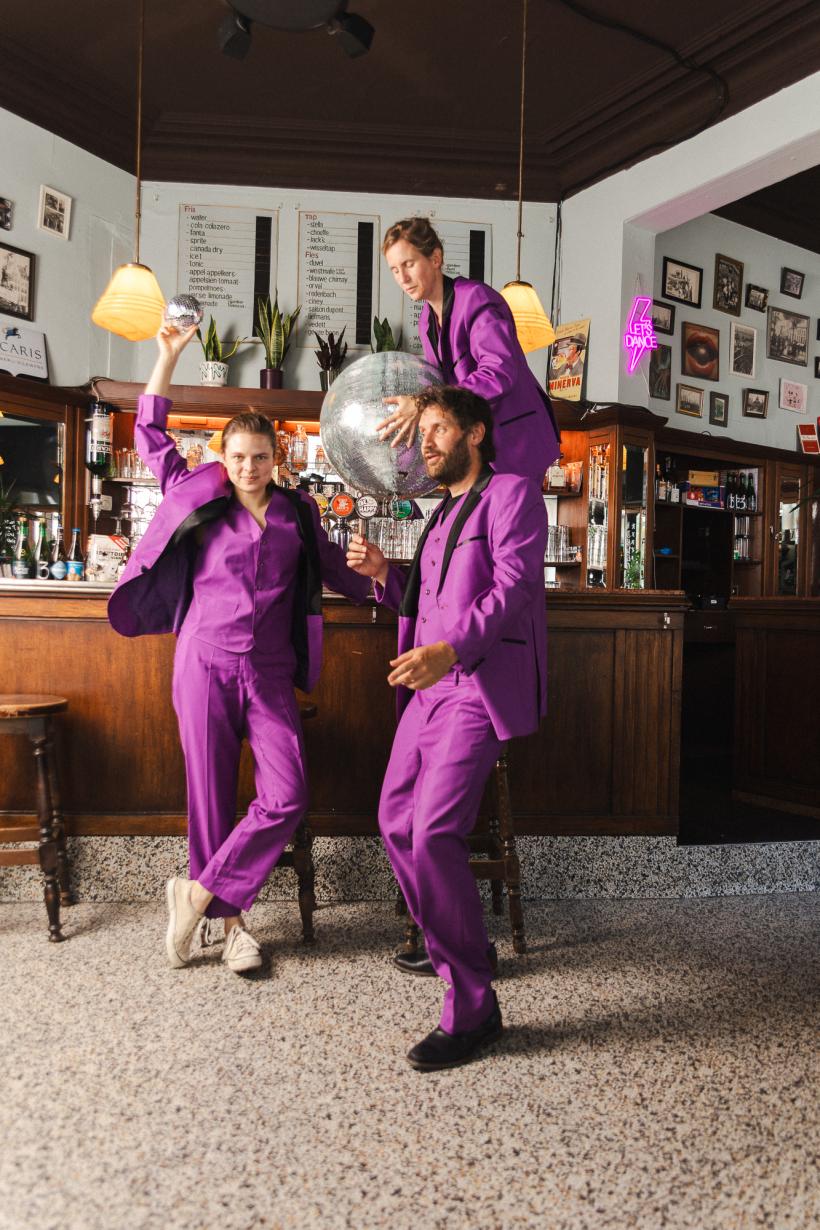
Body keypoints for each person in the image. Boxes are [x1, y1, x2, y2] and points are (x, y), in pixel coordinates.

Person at [108, 324, 371, 973]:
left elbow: (338, 573)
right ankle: (232, 930)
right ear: (222, 458)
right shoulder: (199, 496)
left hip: (270, 672)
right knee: (210, 796)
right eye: (238, 457)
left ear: (277, 455)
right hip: (202, 664)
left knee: (287, 794)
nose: (249, 467)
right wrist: (167, 353)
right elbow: (149, 436)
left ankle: (196, 893)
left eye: (259, 456)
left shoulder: (298, 512)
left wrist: (396, 587)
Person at [347, 383, 548, 1070]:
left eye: (436, 428)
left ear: (475, 434)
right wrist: (384, 575)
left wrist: (451, 650)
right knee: (396, 822)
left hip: (473, 684)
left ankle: (472, 1005)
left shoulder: (512, 495)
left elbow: (512, 588)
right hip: (429, 687)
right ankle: (462, 944)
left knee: (433, 833)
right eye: (422, 431)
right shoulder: (439, 515)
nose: (424, 441)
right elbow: (432, 592)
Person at [377, 216, 560, 483]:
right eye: (395, 270)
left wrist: (421, 403)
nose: (403, 278)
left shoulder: (476, 298)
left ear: (435, 258)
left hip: (516, 442)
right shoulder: (426, 319)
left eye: (409, 264)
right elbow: (445, 386)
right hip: (478, 448)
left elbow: (499, 373)